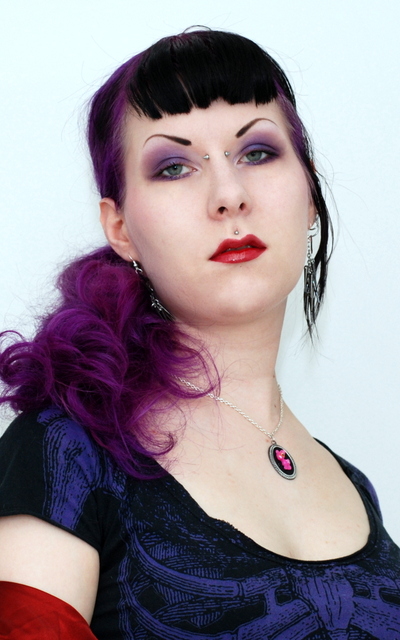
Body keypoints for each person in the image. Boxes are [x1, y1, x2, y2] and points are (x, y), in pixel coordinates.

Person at [0, 28, 399, 640]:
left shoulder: (355, 487)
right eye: (174, 167)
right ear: (120, 228)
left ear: (310, 195)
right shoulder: (63, 453)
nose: (229, 196)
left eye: (258, 153)